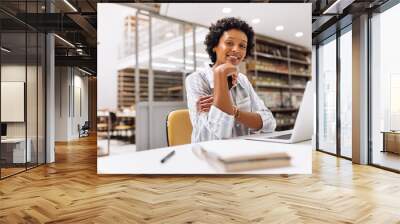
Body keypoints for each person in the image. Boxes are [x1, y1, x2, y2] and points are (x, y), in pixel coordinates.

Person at [185, 17, 276, 143]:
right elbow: (218, 135)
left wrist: (234, 111)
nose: (236, 50)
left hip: (242, 152)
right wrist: (220, 74)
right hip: (208, 155)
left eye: (242, 46)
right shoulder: (196, 80)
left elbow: (269, 123)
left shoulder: (242, 80)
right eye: (229, 43)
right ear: (214, 46)